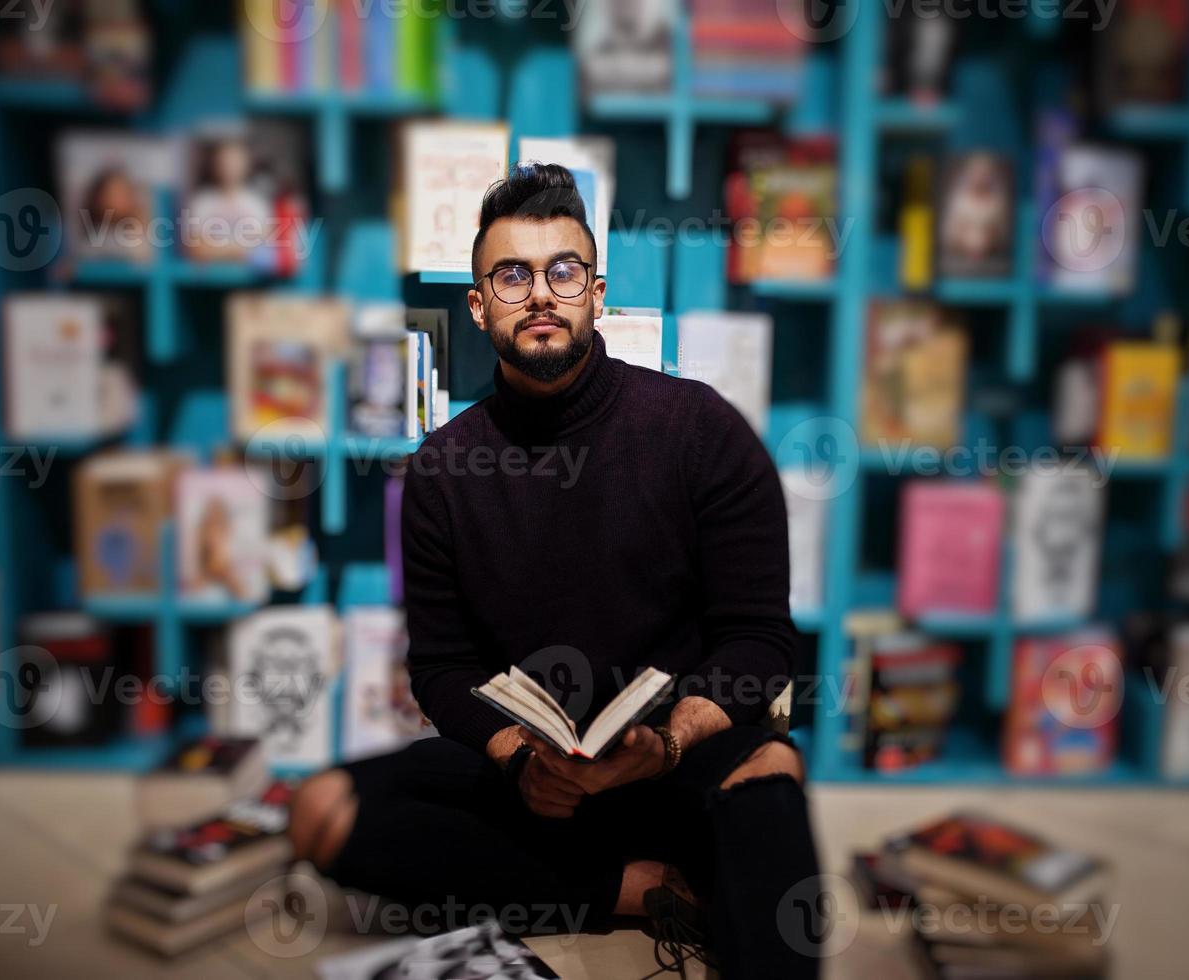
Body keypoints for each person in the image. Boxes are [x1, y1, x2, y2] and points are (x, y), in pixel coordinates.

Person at [288, 164, 821, 978]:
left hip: (671, 757)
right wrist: (515, 758)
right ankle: (629, 890)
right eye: (511, 275)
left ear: (595, 294)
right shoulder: (439, 469)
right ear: (477, 306)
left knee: (772, 769)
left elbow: (758, 642)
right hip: (531, 777)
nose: (540, 294)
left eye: (562, 271)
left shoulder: (699, 428)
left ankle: (658, 885)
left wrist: (672, 741)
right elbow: (440, 668)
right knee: (323, 810)